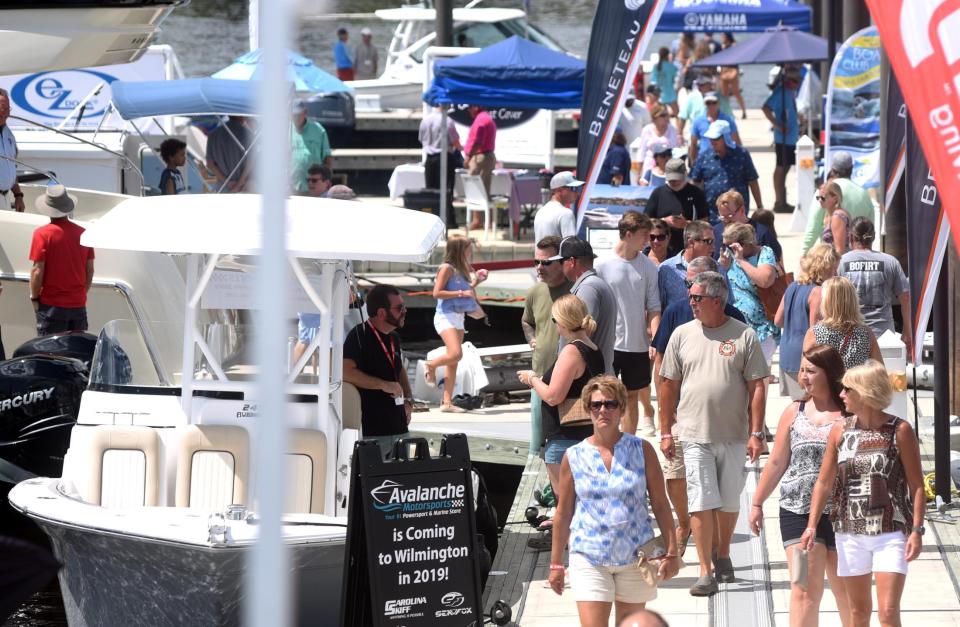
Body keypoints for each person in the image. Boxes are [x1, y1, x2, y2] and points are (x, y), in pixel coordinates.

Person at [659, 271, 769, 596]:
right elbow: (668, 385)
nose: (690, 302)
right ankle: (705, 570)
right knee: (701, 501)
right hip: (693, 434)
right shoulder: (681, 335)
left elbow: (757, 386)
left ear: (717, 301)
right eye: (690, 296)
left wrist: (757, 432)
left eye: (697, 298)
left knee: (729, 501)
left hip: (733, 434)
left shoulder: (744, 335)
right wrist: (666, 431)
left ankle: (724, 555)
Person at [546, 375, 680, 626]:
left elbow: (661, 504)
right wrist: (555, 564)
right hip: (589, 557)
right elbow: (563, 513)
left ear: (622, 409)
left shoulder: (642, 450)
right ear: (587, 409)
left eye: (610, 404)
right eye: (596, 405)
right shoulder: (573, 457)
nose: (603, 410)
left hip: (635, 557)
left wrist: (671, 552)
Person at [801, 360, 926, 627]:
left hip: (891, 530)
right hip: (849, 532)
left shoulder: (899, 430)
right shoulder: (840, 431)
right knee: (858, 612)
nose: (842, 395)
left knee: (888, 611)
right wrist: (811, 525)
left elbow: (916, 486)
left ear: (866, 392)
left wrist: (917, 529)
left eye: (848, 389)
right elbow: (824, 482)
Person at [748, 345, 852, 627]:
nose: (803, 377)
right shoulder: (795, 411)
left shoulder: (850, 415)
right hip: (797, 513)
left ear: (829, 374)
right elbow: (777, 462)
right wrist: (756, 502)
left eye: (810, 371)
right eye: (802, 370)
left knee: (847, 593)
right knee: (803, 589)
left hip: (843, 516)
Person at [651, 257, 746, 559]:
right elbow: (661, 364)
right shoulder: (676, 313)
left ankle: (716, 547)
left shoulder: (737, 320)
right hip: (682, 415)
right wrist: (664, 417)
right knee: (675, 477)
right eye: (688, 289)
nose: (689, 297)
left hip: (724, 424)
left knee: (715, 488)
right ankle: (683, 524)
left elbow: (752, 378)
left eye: (695, 292)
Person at [517, 295, 605, 548]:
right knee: (578, 494)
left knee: (563, 496)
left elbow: (554, 396)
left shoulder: (571, 350)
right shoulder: (592, 347)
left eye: (554, 320)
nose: (554, 325)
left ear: (562, 322)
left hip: (564, 433)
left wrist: (532, 379)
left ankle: (562, 542)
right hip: (585, 430)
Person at [596, 212, 661, 436]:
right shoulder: (602, 264)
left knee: (632, 396)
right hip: (608, 344)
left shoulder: (649, 267)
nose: (648, 241)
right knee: (607, 397)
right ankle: (609, 440)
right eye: (644, 235)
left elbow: (654, 306)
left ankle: (628, 444)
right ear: (628, 234)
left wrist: (656, 339)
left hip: (638, 344)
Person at [342, 284, 413, 460]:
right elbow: (345, 372)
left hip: (399, 430)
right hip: (372, 433)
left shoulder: (394, 338)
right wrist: (383, 385)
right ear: (381, 313)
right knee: (372, 486)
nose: (404, 311)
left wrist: (409, 400)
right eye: (399, 308)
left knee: (402, 484)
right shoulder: (359, 335)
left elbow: (399, 369)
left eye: (404, 306)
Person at [423, 236, 488, 412]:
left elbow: (467, 291)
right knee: (456, 354)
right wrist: (460, 293)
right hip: (446, 315)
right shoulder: (446, 268)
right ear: (460, 249)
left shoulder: (461, 269)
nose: (471, 251)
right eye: (468, 248)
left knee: (453, 362)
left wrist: (478, 281)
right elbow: (437, 293)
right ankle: (431, 365)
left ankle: (447, 402)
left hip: (459, 317)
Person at [522, 236, 572, 456]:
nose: (540, 268)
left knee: (565, 441)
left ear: (562, 262)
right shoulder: (535, 291)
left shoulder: (576, 290)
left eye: (546, 262)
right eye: (536, 262)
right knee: (536, 444)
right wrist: (532, 338)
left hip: (569, 378)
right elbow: (526, 321)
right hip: (540, 376)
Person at [838, 218, 913, 355]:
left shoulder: (841, 262)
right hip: (884, 336)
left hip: (851, 335)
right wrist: (907, 331)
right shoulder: (890, 262)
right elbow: (906, 297)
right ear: (873, 237)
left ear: (851, 237)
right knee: (883, 375)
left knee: (855, 376)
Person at [775, 244, 840, 400]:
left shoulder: (792, 286)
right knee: (809, 409)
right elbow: (816, 332)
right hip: (805, 359)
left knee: (798, 406)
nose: (835, 273)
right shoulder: (817, 292)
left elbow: (778, 320)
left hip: (786, 355)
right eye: (833, 268)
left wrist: (795, 325)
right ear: (824, 267)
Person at [29, 185, 94, 336]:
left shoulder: (42, 234)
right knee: (77, 354)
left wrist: (34, 298)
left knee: (51, 356)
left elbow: (37, 271)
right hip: (78, 307)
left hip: (52, 308)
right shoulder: (83, 234)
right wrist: (80, 294)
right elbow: (90, 270)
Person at [551, 237, 617, 374]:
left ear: (572, 261)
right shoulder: (595, 284)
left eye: (561, 261)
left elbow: (580, 336)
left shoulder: (588, 288)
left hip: (590, 381)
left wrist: (562, 373)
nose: (559, 266)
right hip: (597, 378)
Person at [718, 222, 780, 367]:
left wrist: (741, 260)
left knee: (759, 378)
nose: (727, 250)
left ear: (744, 244)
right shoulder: (729, 258)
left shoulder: (764, 253)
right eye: (724, 246)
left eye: (730, 247)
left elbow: (765, 280)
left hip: (761, 330)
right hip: (733, 328)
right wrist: (723, 267)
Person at [802, 152, 875, 254]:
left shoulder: (825, 191)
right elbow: (870, 231)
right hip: (859, 259)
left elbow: (812, 229)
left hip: (832, 262)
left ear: (833, 169)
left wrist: (803, 255)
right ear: (851, 169)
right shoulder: (864, 194)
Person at [690, 119, 763, 221]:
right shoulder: (704, 156)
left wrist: (759, 206)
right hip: (711, 215)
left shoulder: (742, 155)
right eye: (710, 138)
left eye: (716, 138)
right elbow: (695, 182)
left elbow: (753, 180)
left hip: (737, 214)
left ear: (726, 137)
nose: (712, 142)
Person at [803, 277, 883, 369]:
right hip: (856, 383)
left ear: (826, 302)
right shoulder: (866, 334)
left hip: (827, 384)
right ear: (853, 300)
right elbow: (880, 372)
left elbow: (804, 375)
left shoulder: (814, 334)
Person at [644, 159, 708, 256]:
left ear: (685, 175)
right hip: (661, 247)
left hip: (689, 247)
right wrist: (664, 221)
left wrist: (686, 224)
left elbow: (705, 222)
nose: (674, 182)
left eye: (677, 179)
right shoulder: (658, 193)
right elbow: (645, 220)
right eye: (671, 179)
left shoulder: (696, 193)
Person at [762, 68, 801, 212]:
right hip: (783, 138)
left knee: (786, 168)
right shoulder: (780, 92)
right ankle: (779, 201)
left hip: (791, 138)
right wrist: (777, 125)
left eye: (799, 80)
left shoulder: (790, 92)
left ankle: (782, 200)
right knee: (781, 168)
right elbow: (765, 108)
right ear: (788, 81)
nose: (797, 83)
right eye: (795, 81)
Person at [712, 189, 782, 261]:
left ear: (742, 210)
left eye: (730, 216)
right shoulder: (714, 232)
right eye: (722, 217)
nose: (726, 221)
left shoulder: (762, 233)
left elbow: (775, 261)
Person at [657, 220, 714, 308]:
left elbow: (726, 305)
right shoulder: (666, 269)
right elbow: (658, 307)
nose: (713, 246)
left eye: (713, 241)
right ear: (691, 242)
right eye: (708, 241)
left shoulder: (719, 269)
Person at [419, 105, 462, 222]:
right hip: (445, 158)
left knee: (430, 191)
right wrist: (461, 149)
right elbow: (455, 141)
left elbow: (421, 139)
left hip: (430, 159)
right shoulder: (448, 121)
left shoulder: (426, 120)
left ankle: (430, 219)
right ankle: (448, 220)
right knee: (446, 191)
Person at [463, 104, 497, 229]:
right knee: (482, 189)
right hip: (484, 156)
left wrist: (468, 156)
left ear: (476, 107)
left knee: (476, 189)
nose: (468, 111)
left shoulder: (481, 120)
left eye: (470, 108)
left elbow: (478, 140)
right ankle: (485, 221)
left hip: (480, 157)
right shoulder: (485, 118)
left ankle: (478, 221)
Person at [688, 92, 740, 166]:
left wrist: (738, 159)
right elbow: (693, 143)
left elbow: (736, 140)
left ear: (718, 103)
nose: (711, 105)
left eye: (714, 102)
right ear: (705, 104)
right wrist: (693, 162)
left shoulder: (728, 120)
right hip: (704, 160)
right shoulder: (698, 121)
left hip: (724, 158)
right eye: (708, 103)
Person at [291, 100, 333, 193]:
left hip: (315, 187)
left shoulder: (318, 130)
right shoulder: (285, 130)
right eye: (293, 114)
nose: (295, 117)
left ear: (305, 112)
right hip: (291, 187)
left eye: (298, 114)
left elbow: (327, 158)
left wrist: (326, 182)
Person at [632, 104, 681, 184]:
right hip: (649, 167)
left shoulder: (672, 129)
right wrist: (638, 174)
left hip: (667, 168)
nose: (666, 117)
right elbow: (641, 152)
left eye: (667, 115)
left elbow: (676, 152)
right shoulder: (647, 130)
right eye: (663, 115)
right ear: (655, 117)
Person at [534, 171, 583, 243]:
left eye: (577, 188)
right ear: (559, 190)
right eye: (573, 188)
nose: (577, 193)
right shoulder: (566, 213)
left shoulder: (541, 212)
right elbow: (572, 248)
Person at [206, 115, 252, 193]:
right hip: (244, 188)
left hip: (223, 188)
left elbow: (210, 164)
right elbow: (251, 163)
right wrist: (238, 184)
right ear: (242, 116)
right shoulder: (248, 134)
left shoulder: (213, 135)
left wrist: (227, 182)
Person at [0, 90, 25, 212]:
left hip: (5, 199)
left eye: (7, 108)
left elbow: (11, 168)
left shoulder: (9, 135)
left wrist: (18, 195)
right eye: (1, 107)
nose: (5, 112)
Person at [817, 181, 851, 256]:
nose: (820, 200)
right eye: (818, 197)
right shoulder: (828, 216)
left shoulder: (837, 217)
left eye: (823, 198)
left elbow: (840, 250)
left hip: (837, 264)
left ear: (835, 199)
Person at [718, 33, 747, 119]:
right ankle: (726, 111)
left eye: (723, 36)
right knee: (724, 93)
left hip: (733, 69)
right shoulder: (722, 46)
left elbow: (738, 55)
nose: (722, 38)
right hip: (724, 69)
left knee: (736, 92)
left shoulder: (733, 44)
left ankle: (743, 111)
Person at [650, 46, 678, 116]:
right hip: (671, 94)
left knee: (660, 115)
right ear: (667, 55)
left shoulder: (655, 67)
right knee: (678, 114)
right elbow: (675, 79)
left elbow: (653, 81)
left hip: (660, 96)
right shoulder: (671, 66)